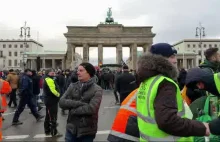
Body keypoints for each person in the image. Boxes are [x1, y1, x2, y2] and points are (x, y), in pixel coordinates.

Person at [136, 43, 211, 141]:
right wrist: (203, 128)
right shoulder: (164, 83)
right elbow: (168, 121)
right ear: (160, 60)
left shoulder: (146, 82)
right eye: (172, 57)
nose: (175, 60)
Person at [59, 62, 103, 142]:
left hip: (87, 131)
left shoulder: (97, 89)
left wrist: (72, 110)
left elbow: (91, 109)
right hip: (71, 129)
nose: (77, 72)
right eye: (78, 70)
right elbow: (61, 102)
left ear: (89, 73)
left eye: (81, 70)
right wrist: (79, 104)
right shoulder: (72, 86)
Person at [43, 69, 62, 136]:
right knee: (52, 116)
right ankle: (53, 132)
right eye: (52, 72)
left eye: (54, 72)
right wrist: (59, 95)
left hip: (49, 100)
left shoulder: (49, 79)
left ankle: (47, 130)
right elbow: (53, 90)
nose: (53, 73)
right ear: (48, 73)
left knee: (48, 115)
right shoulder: (49, 79)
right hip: (51, 100)